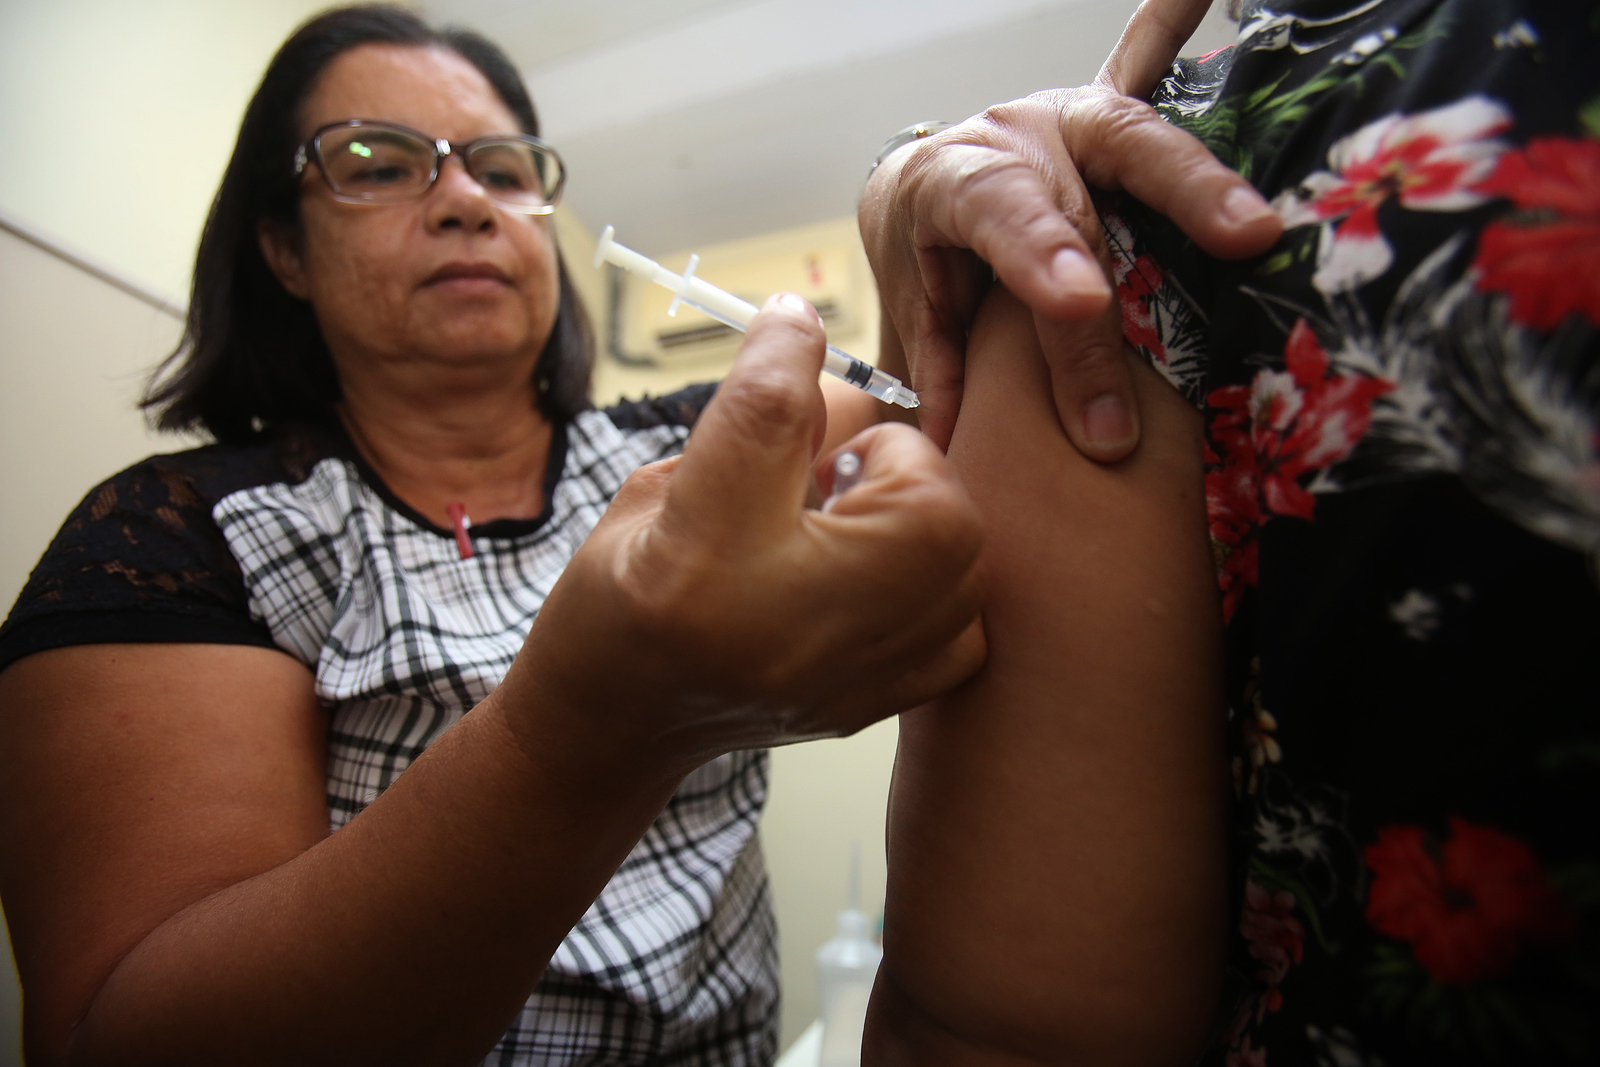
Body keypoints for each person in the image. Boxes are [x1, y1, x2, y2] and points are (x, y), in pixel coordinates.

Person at [0, 7, 991, 1064]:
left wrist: (909, 181)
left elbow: (921, 391)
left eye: (502, 168)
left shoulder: (692, 450)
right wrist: (599, 721)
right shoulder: (185, 539)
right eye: (377, 165)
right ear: (284, 249)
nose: (467, 200)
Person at [859, 0, 1598, 1064]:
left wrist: (905, 164)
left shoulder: (1162, 182)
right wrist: (909, 165)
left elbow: (1000, 1024)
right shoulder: (1135, 181)